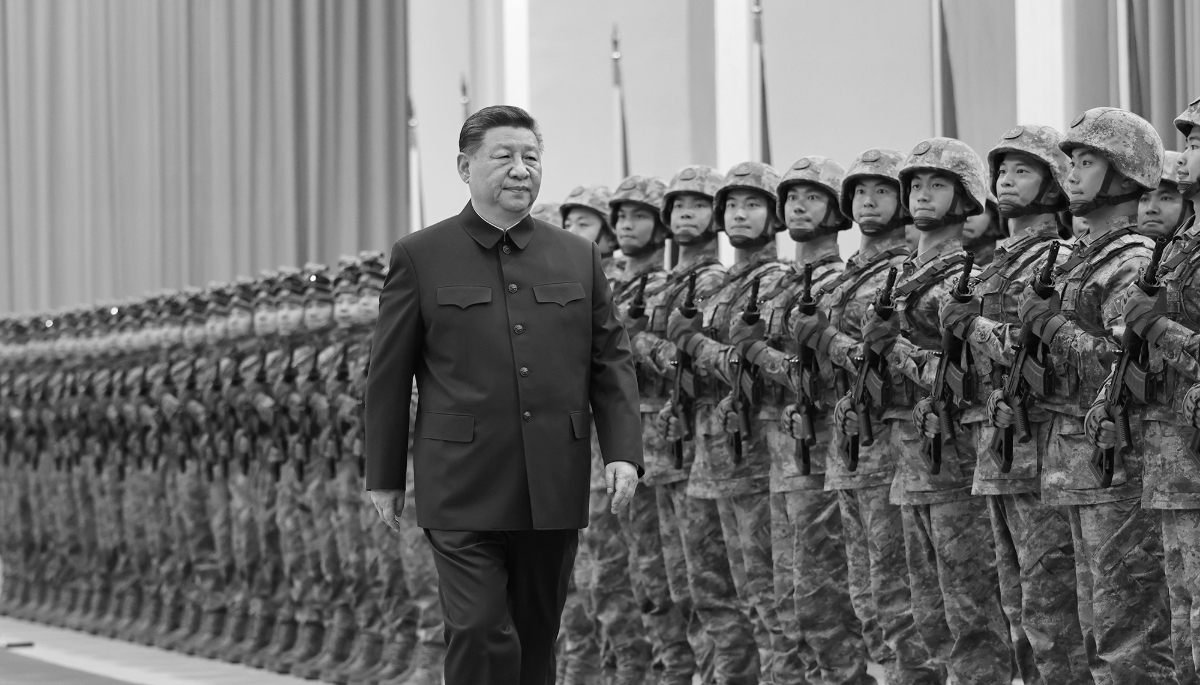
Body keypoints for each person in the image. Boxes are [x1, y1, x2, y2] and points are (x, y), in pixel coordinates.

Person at [364, 105, 644, 685]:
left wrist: (622, 451)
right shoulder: (420, 255)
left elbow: (609, 360)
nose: (520, 170)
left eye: (531, 157)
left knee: (536, 634)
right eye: (504, 157)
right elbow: (389, 374)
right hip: (461, 478)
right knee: (477, 627)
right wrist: (384, 475)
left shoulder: (577, 255)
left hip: (551, 477)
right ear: (465, 167)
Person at [1019, 106, 1174, 684]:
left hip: (1120, 462)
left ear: (1124, 173)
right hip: (1078, 462)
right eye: (1074, 162)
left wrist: (1052, 328)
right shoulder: (1083, 259)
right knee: (1089, 625)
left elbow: (1127, 362)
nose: (1073, 175)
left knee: (1125, 634)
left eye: (1088, 162)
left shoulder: (1131, 259)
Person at [729, 155, 876, 685]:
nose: (797, 206)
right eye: (792, 196)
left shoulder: (839, 283)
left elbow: (838, 374)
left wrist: (760, 357)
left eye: (812, 197)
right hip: (781, 453)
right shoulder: (775, 286)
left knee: (825, 602)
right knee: (785, 599)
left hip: (822, 452)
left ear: (838, 210)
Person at [958, 124, 1094, 684]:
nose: (1006, 181)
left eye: (1023, 170)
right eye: (1002, 171)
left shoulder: (1060, 258)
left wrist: (975, 329)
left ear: (1053, 184)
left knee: (1052, 604)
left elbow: (1044, 348)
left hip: (1043, 448)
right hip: (1001, 447)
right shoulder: (993, 261)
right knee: (1017, 607)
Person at [884, 138, 1014, 683]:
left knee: (972, 615)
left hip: (956, 462)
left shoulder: (969, 277)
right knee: (926, 618)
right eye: (915, 184)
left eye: (937, 185)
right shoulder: (899, 277)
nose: (921, 195)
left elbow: (978, 378)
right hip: (912, 463)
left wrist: (897, 350)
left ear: (965, 198)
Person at [665, 161, 790, 683]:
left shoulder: (775, 280)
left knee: (764, 591)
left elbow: (766, 366)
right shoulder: (725, 286)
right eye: (733, 205)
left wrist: (693, 345)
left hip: (756, 450)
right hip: (712, 450)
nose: (739, 214)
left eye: (753, 205)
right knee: (713, 590)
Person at [822, 148, 943, 685]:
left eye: (883, 191)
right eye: (860, 192)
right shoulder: (848, 274)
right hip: (850, 440)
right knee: (867, 593)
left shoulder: (905, 272)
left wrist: (830, 343)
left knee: (899, 595)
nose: (868, 201)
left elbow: (892, 361)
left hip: (894, 440)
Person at [1101, 99, 1200, 685]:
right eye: (1187, 143)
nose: (1187, 157)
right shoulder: (1178, 254)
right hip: (1171, 465)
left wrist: (1159, 329)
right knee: (1182, 628)